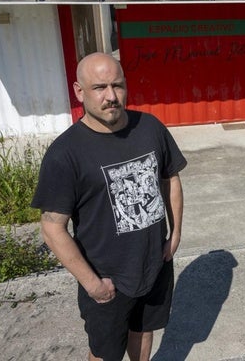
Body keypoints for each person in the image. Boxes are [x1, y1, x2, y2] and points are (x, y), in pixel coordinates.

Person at [31, 52, 187, 361]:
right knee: (105, 352)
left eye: (118, 85)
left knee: (144, 330)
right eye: (99, 87)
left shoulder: (150, 127)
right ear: (79, 92)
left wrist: (175, 235)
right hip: (107, 278)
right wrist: (92, 284)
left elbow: (171, 178)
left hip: (154, 262)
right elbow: (52, 228)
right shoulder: (65, 153)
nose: (111, 96)